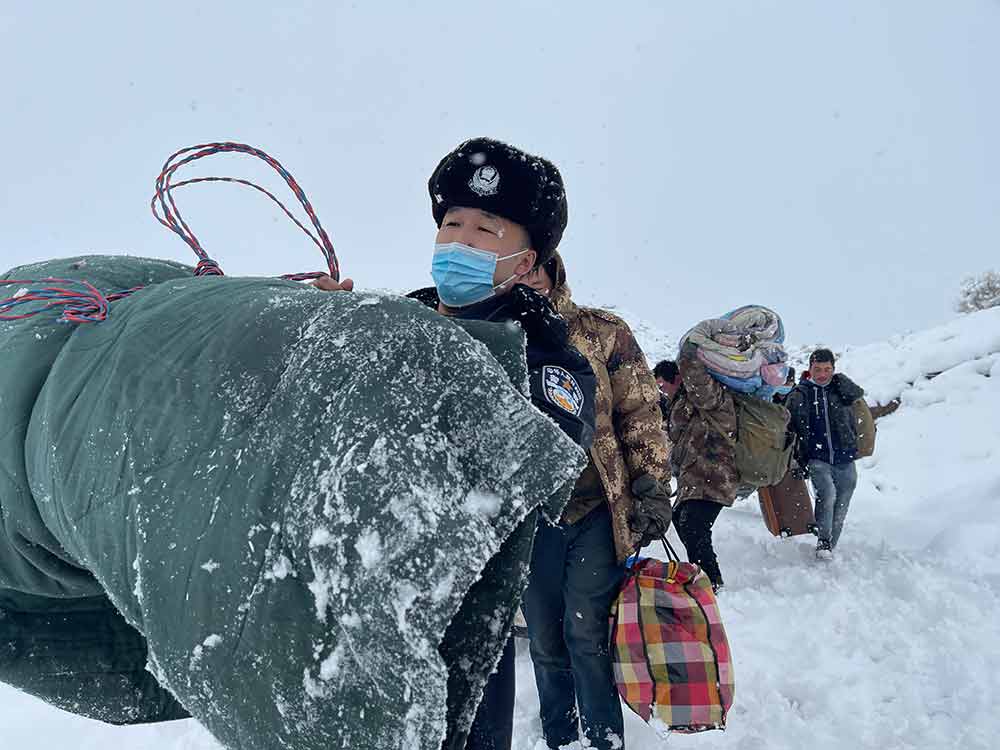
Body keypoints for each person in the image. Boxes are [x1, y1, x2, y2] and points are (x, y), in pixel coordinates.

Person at [317, 137, 597, 750]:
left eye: (484, 230)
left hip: (461, 600)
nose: (459, 241)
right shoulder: (396, 321)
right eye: (452, 224)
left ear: (524, 263)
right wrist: (328, 329)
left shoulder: (548, 355)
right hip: (356, 588)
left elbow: (547, 456)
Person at [522, 253, 671, 750]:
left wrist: (650, 484)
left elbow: (640, 411)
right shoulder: (488, 331)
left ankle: (605, 739)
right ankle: (560, 738)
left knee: (586, 634)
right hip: (529, 514)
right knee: (544, 638)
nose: (526, 278)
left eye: (534, 267)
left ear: (552, 270)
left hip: (596, 509)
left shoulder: (601, 332)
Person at [662, 341, 739, 592]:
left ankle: (711, 582)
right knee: (680, 519)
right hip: (695, 478)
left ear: (677, 378)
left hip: (716, 474)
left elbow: (701, 387)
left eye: (662, 384)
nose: (661, 391)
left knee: (694, 525)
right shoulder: (678, 404)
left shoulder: (707, 397)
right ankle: (700, 573)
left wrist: (688, 355)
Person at [785, 348, 865, 560]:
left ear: (833, 369)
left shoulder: (840, 389)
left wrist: (841, 381)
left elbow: (858, 397)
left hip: (844, 455)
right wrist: (795, 458)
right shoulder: (800, 393)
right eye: (818, 369)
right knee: (827, 493)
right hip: (816, 456)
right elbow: (789, 426)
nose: (822, 374)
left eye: (827, 369)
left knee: (843, 499)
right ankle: (824, 541)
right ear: (809, 369)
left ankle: (831, 544)